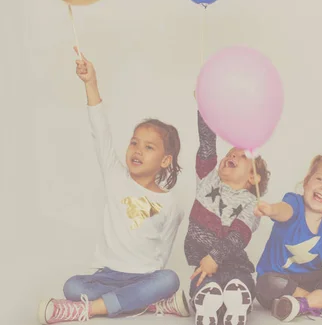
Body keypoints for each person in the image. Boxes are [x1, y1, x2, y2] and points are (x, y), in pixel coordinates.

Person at [38, 50, 188, 324]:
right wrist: (90, 83)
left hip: (145, 276)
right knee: (73, 286)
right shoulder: (115, 176)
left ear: (165, 160)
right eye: (134, 142)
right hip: (107, 276)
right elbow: (101, 131)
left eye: (149, 147)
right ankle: (148, 304)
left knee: (169, 278)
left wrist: (151, 280)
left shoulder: (171, 204)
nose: (138, 150)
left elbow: (164, 249)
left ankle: (89, 310)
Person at [184, 93, 270, 325]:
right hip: (203, 261)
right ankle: (206, 304)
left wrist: (215, 257)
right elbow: (206, 143)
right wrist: (205, 108)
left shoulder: (252, 204)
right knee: (202, 280)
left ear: (253, 177)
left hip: (233, 262)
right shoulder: (208, 178)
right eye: (230, 153)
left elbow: (237, 237)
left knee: (239, 279)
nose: (231, 155)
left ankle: (238, 302)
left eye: (240, 156)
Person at [254, 156, 322, 322]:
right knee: (266, 283)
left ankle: (300, 306)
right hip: (279, 282)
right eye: (320, 179)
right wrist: (271, 209)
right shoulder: (294, 203)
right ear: (306, 182)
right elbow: (284, 211)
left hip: (309, 281)